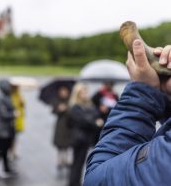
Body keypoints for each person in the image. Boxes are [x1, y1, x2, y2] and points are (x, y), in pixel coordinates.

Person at [84, 40, 171, 186]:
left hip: (112, 132)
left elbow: (97, 179)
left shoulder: (113, 94)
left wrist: (143, 92)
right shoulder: (98, 95)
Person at [68, 83, 104, 186]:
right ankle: (73, 183)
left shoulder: (88, 105)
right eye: (82, 92)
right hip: (78, 139)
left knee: (80, 162)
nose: (85, 94)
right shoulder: (75, 107)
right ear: (77, 94)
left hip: (86, 138)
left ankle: (75, 182)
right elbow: (84, 121)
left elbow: (95, 114)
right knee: (77, 163)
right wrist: (95, 122)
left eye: (86, 92)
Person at [0, 79, 16, 179]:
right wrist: (13, 114)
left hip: (8, 128)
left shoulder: (8, 97)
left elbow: (11, 107)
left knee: (6, 150)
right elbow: (4, 114)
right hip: (1, 130)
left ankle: (6, 168)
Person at [52, 86, 71, 170]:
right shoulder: (57, 100)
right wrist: (59, 109)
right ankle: (59, 160)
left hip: (68, 124)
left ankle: (66, 159)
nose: (63, 93)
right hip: (60, 125)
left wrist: (67, 108)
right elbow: (53, 111)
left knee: (67, 143)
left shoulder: (70, 100)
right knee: (60, 144)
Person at [10, 84, 25, 159]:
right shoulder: (10, 96)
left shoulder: (19, 95)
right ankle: (11, 151)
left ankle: (14, 151)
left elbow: (23, 105)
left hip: (18, 119)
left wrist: (22, 102)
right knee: (11, 137)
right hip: (12, 119)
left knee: (15, 137)